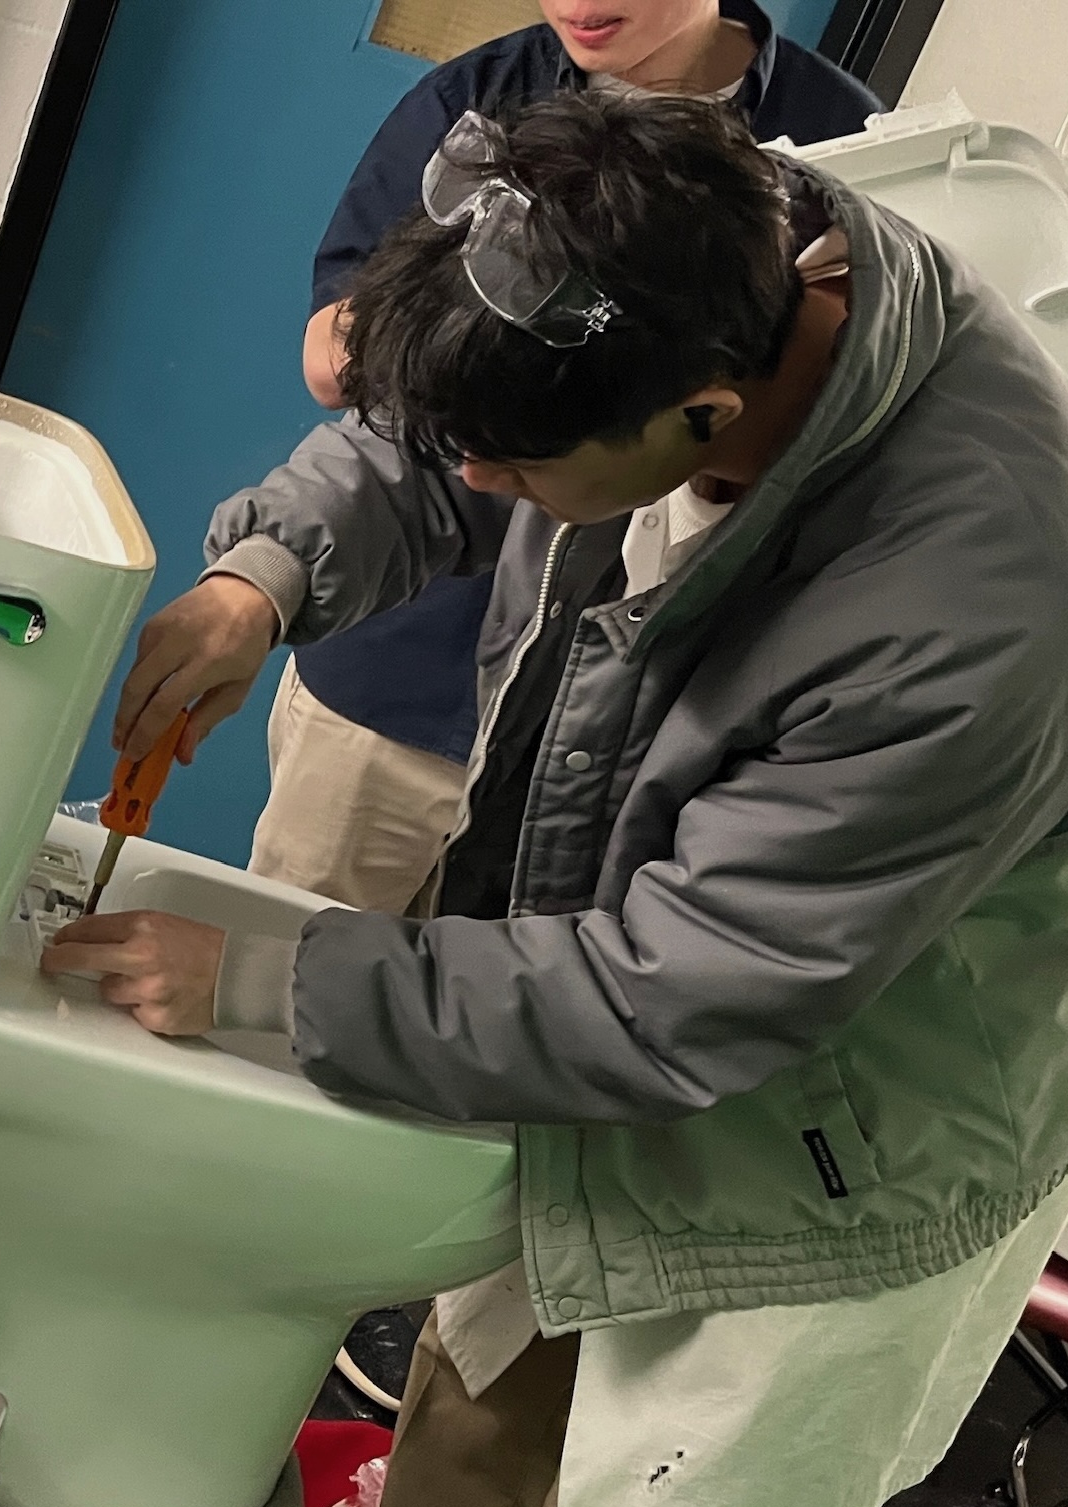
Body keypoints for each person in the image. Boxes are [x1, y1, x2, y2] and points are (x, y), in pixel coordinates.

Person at [47, 95, 1068, 1507]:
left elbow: (685, 993)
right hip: (636, 999)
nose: (478, 488)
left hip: (852, 1133)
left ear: (705, 422)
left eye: (515, 476)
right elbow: (448, 429)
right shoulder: (648, 245)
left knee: (662, 1494)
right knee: (474, 1427)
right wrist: (262, 576)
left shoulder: (971, 612)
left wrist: (277, 981)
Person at [255, 0, 877, 916]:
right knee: (280, 965)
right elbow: (337, 363)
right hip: (400, 677)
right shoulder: (477, 105)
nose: (579, 5)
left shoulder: (847, 150)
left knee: (479, 1007)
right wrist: (499, 294)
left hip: (618, 724)